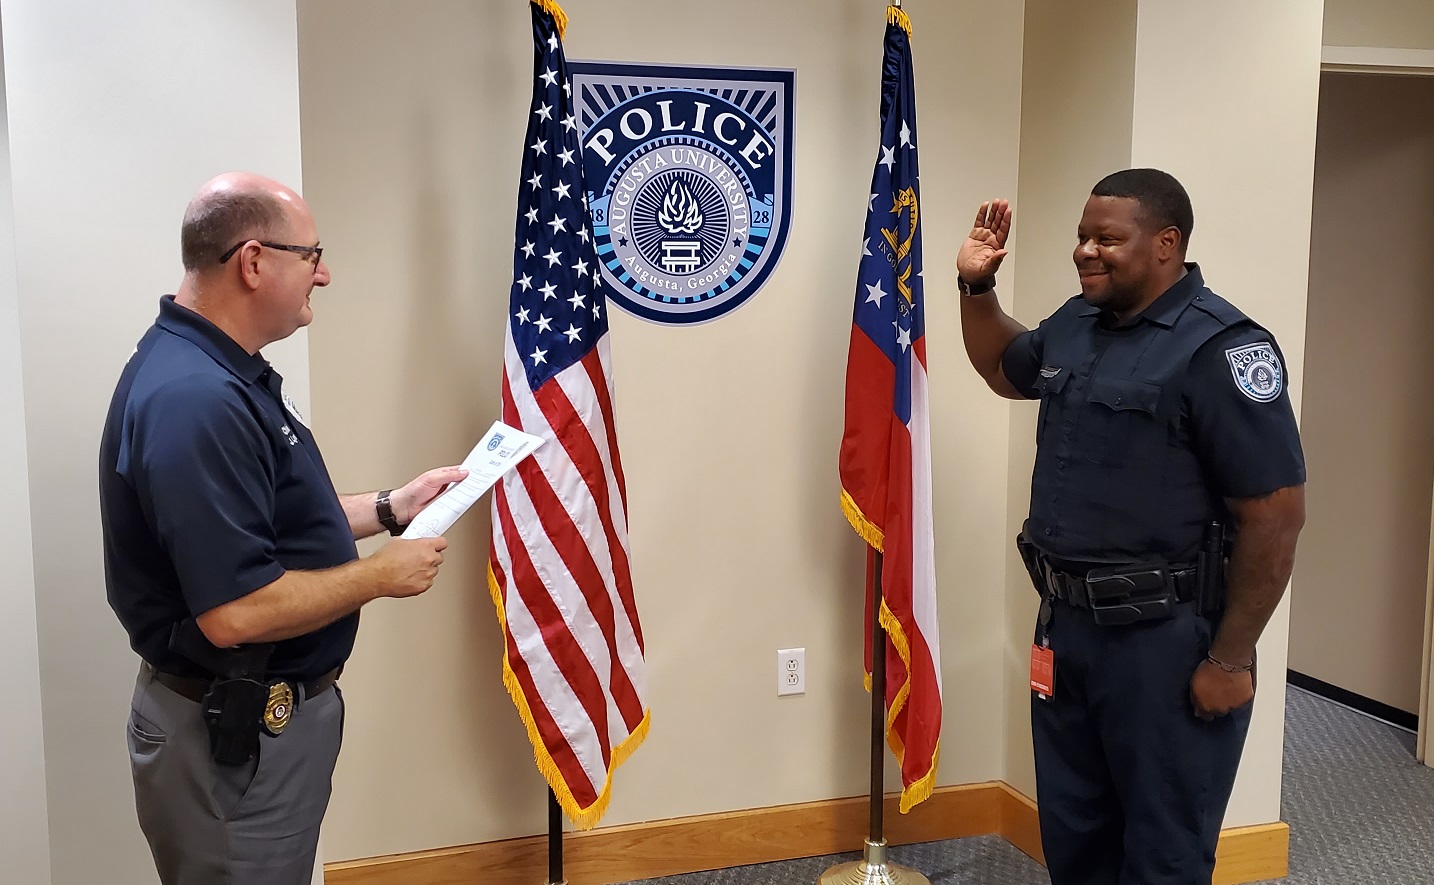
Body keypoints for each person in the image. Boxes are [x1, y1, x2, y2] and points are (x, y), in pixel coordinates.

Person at [99, 172, 465, 885]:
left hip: (253, 735)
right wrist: (381, 575)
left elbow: (268, 524)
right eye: (311, 253)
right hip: (231, 742)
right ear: (255, 260)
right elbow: (234, 612)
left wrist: (395, 505)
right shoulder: (196, 397)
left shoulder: (218, 369)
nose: (322, 274)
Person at [955, 168, 1306, 884]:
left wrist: (1232, 659)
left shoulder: (1221, 348)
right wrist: (976, 288)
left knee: (1162, 854)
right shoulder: (1077, 324)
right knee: (1076, 836)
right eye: (1082, 236)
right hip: (1067, 627)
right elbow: (1000, 364)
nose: (1086, 250)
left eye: (1107, 238)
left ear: (1166, 244)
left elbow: (1275, 517)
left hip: (1165, 643)